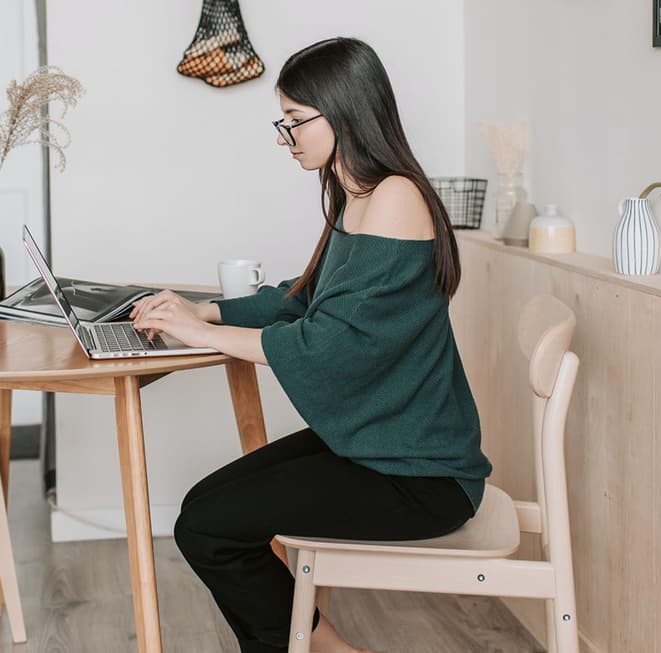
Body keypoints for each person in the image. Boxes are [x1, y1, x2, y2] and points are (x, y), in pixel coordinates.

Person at [130, 37, 492, 653]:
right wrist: (204, 309)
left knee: (209, 527)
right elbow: (302, 301)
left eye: (296, 121)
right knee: (203, 511)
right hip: (376, 445)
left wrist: (204, 334)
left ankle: (326, 650)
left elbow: (326, 347)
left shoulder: (395, 198)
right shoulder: (356, 195)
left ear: (345, 111)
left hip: (421, 474)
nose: (285, 136)